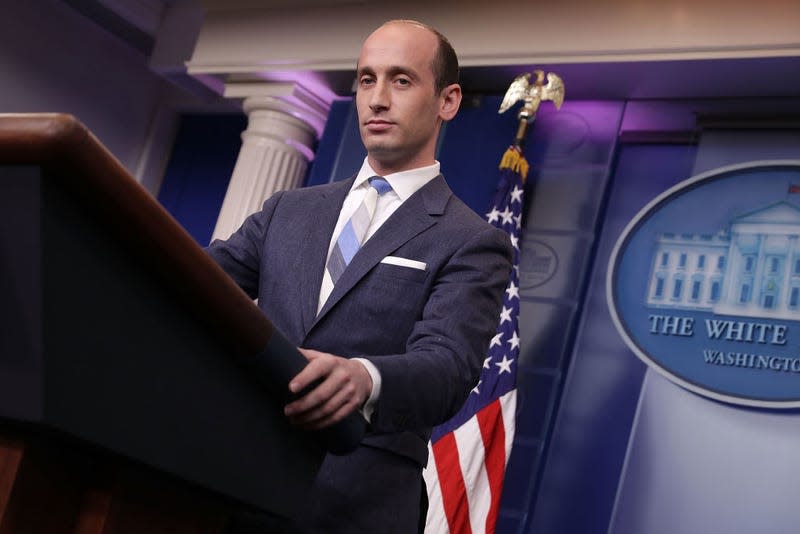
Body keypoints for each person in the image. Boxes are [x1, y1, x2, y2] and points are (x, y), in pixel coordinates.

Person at [207, 19, 512, 533]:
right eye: (366, 79)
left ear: (448, 100)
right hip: (234, 483)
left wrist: (364, 378)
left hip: (358, 505)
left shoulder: (472, 240)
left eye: (401, 80)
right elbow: (203, 283)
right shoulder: (288, 209)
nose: (376, 99)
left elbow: (448, 367)